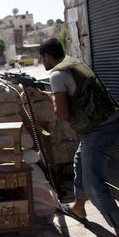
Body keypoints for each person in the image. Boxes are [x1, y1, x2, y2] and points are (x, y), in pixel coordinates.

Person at [29, 38, 119, 235]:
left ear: (47, 56)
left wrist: (49, 98)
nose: (43, 62)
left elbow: (62, 113)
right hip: (106, 121)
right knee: (79, 161)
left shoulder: (57, 74)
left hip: (98, 129)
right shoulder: (73, 62)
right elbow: (72, 95)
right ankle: (78, 207)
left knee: (93, 182)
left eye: (42, 58)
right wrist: (44, 94)